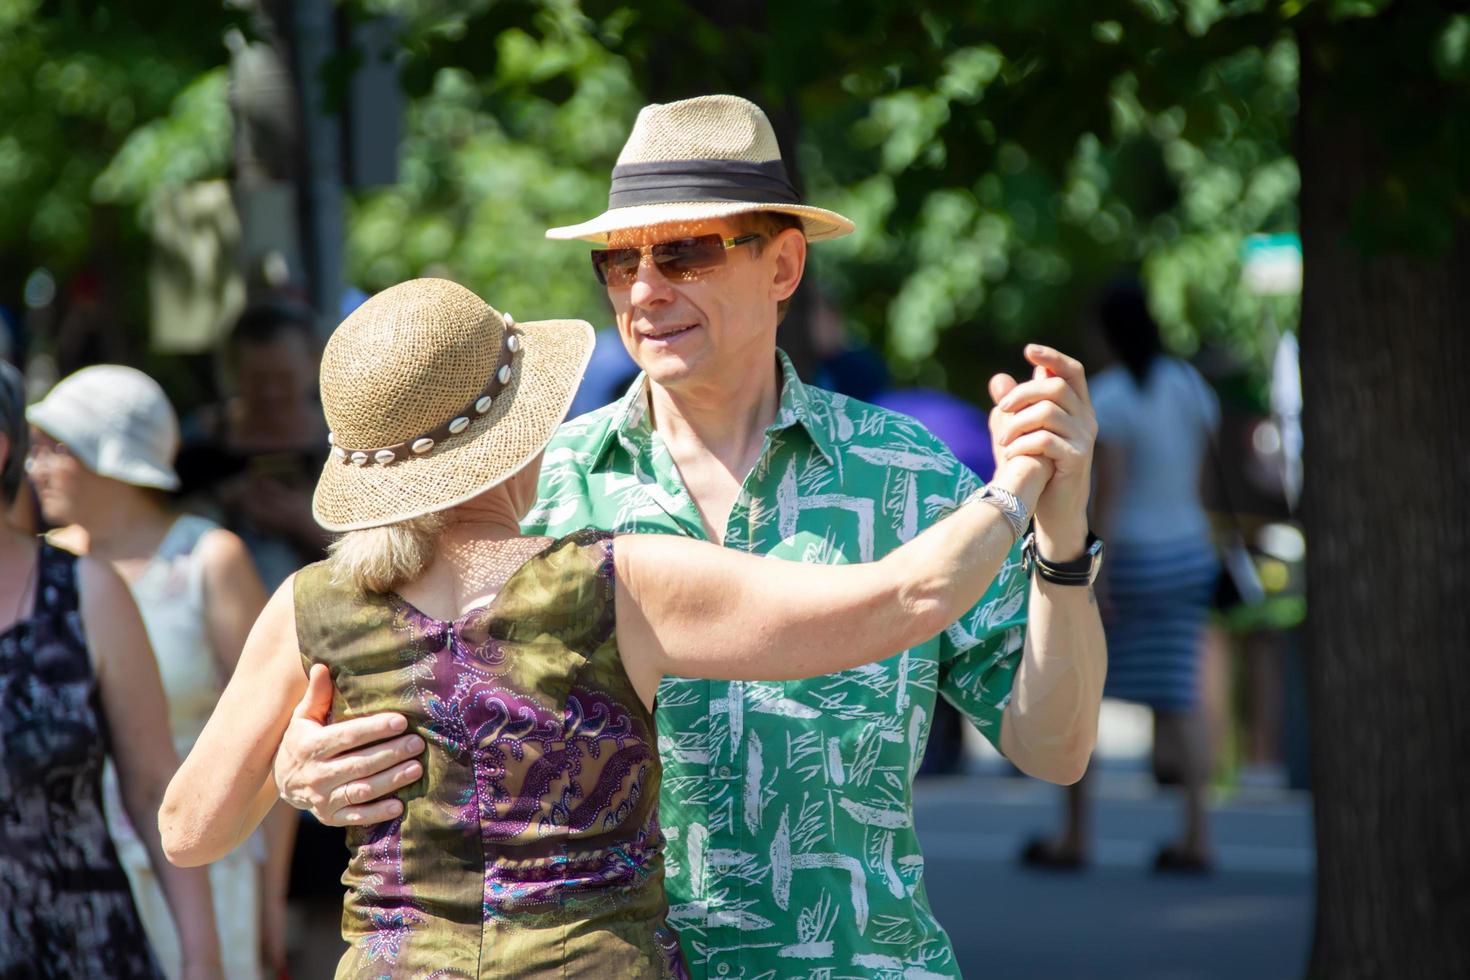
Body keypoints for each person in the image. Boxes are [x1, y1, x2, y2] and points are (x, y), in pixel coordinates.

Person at [271, 95, 1107, 978]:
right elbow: (388, 705)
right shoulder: (535, 492)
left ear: (784, 265)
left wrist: (1061, 533)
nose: (642, 290)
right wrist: (305, 763)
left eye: (684, 252)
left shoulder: (906, 474)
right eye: (618, 260)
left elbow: (1053, 748)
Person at [26, 365, 293, 975]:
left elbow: (271, 741)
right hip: (78, 869)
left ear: (111, 456)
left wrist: (268, 899)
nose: (34, 466)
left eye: (55, 447)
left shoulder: (205, 557)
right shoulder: (44, 567)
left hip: (202, 863)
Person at [0, 362, 224, 978]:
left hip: (89, 925)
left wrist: (206, 955)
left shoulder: (93, 584)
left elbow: (160, 782)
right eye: (38, 449)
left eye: (60, 448)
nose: (40, 467)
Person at [1022, 277, 1221, 872]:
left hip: (1131, 558)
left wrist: (1088, 565)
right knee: (1179, 699)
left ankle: (1076, 836)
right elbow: (1206, 481)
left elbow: (1105, 494)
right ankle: (1197, 834)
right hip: (1189, 554)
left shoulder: (1109, 398)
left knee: (1085, 693)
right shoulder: (1189, 385)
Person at [176, 299, 331, 592]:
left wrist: (304, 521)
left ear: (313, 364)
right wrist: (220, 504)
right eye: (257, 379)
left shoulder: (342, 440)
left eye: (284, 378)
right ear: (233, 371)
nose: (271, 393)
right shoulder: (200, 441)